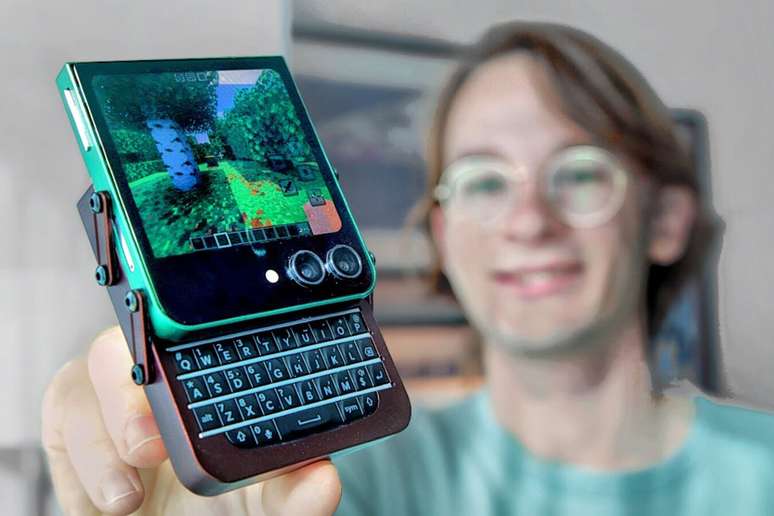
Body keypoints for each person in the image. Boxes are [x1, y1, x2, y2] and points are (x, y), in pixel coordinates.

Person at [42, 21, 774, 516]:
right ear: (442, 235)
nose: (528, 220)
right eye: (484, 181)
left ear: (666, 218)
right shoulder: (338, 482)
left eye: (580, 173)